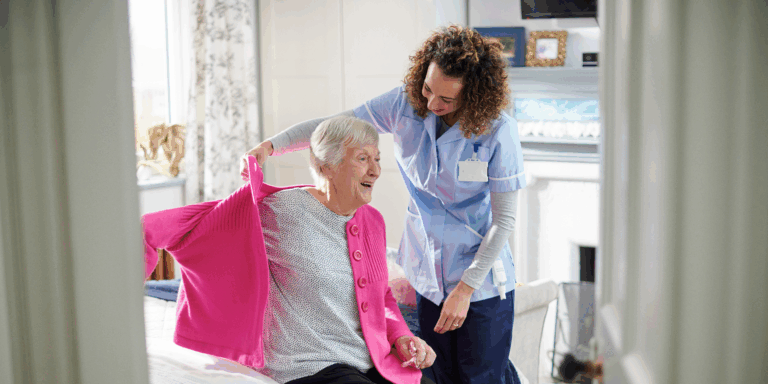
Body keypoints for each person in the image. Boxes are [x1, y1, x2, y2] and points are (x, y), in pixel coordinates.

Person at [240, 25, 525, 384]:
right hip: (428, 274)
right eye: (427, 89)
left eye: (447, 100)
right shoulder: (406, 104)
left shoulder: (498, 132)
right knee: (435, 378)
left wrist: (466, 289)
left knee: (480, 378)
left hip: (480, 282)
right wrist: (271, 145)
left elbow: (505, 221)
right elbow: (336, 126)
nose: (432, 104)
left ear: (474, 96)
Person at [142, 116, 437, 384]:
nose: (375, 170)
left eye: (376, 158)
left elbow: (381, 294)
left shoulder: (372, 221)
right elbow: (162, 227)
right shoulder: (281, 211)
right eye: (362, 159)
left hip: (371, 359)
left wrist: (401, 337)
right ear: (326, 168)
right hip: (309, 365)